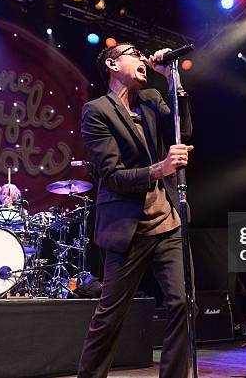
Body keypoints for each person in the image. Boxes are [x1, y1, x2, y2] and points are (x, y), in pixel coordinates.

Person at [77, 43, 193, 378]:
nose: (144, 58)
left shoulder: (153, 100)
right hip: (128, 228)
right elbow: (111, 177)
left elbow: (182, 132)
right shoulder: (97, 110)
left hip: (168, 222)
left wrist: (173, 81)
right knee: (110, 317)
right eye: (135, 53)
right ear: (113, 64)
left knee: (182, 305)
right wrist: (161, 168)